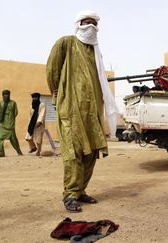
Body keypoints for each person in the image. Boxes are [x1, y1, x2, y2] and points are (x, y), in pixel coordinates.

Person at [46, 10, 120, 213]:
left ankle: (80, 191)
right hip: (70, 109)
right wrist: (57, 96)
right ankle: (70, 194)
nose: (90, 26)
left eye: (94, 23)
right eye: (86, 22)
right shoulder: (66, 43)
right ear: (78, 24)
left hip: (92, 111)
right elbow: (52, 71)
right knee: (73, 152)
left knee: (90, 153)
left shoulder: (96, 52)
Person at [0, 90, 23, 158]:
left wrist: (11, 119)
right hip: (2, 124)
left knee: (13, 140)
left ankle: (19, 151)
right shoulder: (0, 103)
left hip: (10, 124)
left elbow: (16, 112)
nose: (6, 96)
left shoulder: (13, 103)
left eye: (8, 94)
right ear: (3, 96)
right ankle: (1, 153)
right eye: (5, 95)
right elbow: (0, 112)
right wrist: (1, 119)